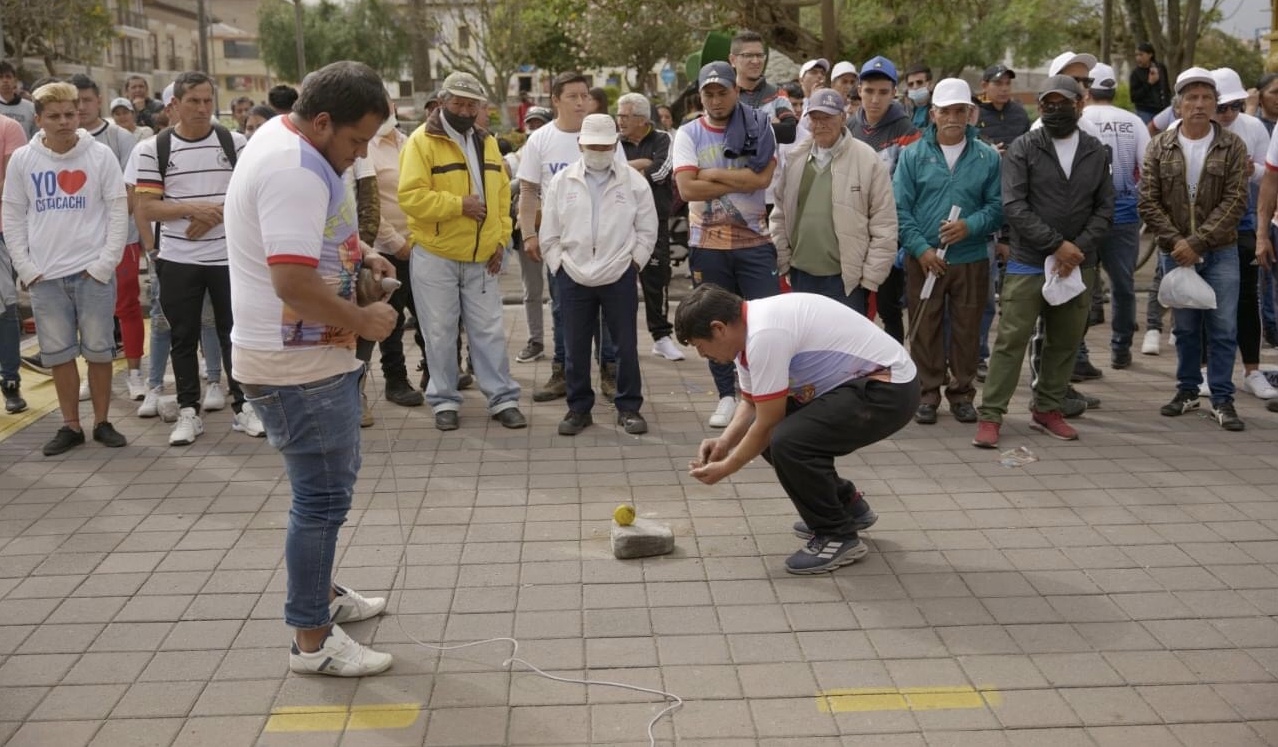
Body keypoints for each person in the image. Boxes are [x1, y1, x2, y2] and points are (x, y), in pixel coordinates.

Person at [225, 60, 397, 678]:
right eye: (355, 141)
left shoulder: (289, 141)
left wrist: (365, 254)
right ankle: (311, 640)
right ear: (322, 121)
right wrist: (363, 317)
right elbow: (293, 281)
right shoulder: (295, 168)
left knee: (325, 492)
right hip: (294, 365)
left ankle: (320, 599)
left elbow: (322, 237)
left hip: (303, 358)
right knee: (322, 501)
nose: (358, 156)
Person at [677, 284, 918, 574]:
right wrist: (724, 443)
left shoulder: (764, 335)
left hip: (889, 388)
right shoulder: (748, 330)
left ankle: (836, 534)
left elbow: (768, 421)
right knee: (777, 435)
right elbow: (752, 404)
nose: (704, 356)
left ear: (718, 329)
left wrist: (728, 467)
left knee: (787, 440)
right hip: (865, 385)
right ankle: (847, 506)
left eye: (700, 347)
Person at [973, 75, 1113, 448]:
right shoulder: (1024, 147)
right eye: (1047, 103)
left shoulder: (1095, 151)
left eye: (1062, 103)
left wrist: (1076, 249)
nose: (1054, 110)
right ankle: (991, 415)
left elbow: (1105, 208)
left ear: (1080, 103)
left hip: (1078, 263)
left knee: (1064, 340)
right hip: (1029, 261)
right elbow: (1014, 205)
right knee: (1010, 341)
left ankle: (1048, 409)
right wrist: (1056, 246)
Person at [134, 71, 262, 445]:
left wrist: (210, 215)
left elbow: (250, 196)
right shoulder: (152, 149)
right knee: (183, 336)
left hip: (229, 256)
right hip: (177, 257)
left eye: (208, 100)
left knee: (234, 334)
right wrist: (197, 209)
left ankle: (244, 407)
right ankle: (189, 411)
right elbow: (147, 207)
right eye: (194, 101)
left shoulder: (234, 142)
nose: (203, 108)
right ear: (174, 104)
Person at [2, 82, 129, 455]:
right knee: (58, 355)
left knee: (100, 352)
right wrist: (27, 268)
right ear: (38, 118)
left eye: (69, 114)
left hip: (93, 273)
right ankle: (70, 426)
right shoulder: (24, 160)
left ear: (80, 114)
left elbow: (118, 208)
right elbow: (12, 214)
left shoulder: (100, 156)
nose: (63, 122)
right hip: (46, 278)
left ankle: (102, 422)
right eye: (54, 116)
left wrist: (105, 264)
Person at [399, 72, 526, 432]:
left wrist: (501, 240)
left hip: (483, 255)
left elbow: (502, 197)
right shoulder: (420, 142)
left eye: (472, 104)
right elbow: (410, 197)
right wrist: (458, 205)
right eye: (458, 103)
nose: (465, 110)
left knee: (489, 330)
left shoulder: (487, 142)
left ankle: (503, 399)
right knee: (439, 330)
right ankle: (443, 400)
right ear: (442, 102)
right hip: (436, 253)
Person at [1142, 68, 1250, 430]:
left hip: (1220, 251)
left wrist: (1198, 241)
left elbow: (1236, 200)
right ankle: (1187, 390)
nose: (1199, 105)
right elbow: (1148, 200)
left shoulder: (1232, 145)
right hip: (1173, 251)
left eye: (1206, 98)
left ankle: (1222, 397)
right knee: (1185, 328)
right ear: (1179, 105)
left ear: (1216, 103)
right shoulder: (1159, 145)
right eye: (1191, 98)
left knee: (1223, 328)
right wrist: (1177, 243)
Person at [673, 61, 780, 429]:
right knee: (709, 323)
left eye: (723, 92)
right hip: (708, 243)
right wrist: (741, 180)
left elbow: (763, 178)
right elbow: (687, 188)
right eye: (709, 93)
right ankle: (726, 396)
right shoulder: (688, 134)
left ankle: (769, 393)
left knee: (766, 320)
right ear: (700, 95)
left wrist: (713, 175)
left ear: (737, 91)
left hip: (754, 242)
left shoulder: (759, 127)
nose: (716, 100)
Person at [894, 78, 1003, 425]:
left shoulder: (987, 156)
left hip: (970, 257)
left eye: (960, 110)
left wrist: (969, 226)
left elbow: (998, 206)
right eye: (946, 111)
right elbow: (899, 209)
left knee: (968, 328)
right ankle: (927, 393)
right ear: (933, 114)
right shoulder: (913, 155)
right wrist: (921, 249)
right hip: (924, 259)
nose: (953, 117)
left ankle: (962, 393)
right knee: (925, 325)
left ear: (970, 113)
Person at [541, 114, 656, 435]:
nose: (598, 151)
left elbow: (647, 229)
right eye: (592, 146)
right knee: (575, 347)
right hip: (573, 274)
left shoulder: (634, 183)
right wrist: (558, 265)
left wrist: (634, 263)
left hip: (619, 272)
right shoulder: (563, 181)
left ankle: (629, 407)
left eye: (605, 146)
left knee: (625, 346)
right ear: (580, 145)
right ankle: (578, 409)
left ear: (615, 145)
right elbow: (549, 230)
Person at [518, 72, 618, 401]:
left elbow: (626, 186)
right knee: (562, 309)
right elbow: (530, 191)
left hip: (605, 243)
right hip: (561, 244)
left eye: (584, 96)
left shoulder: (604, 134)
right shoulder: (540, 140)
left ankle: (610, 370)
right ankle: (562, 371)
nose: (580, 102)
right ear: (556, 100)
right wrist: (529, 233)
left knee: (606, 310)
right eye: (573, 96)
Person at [771, 87, 896, 314]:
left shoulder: (867, 160)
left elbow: (884, 224)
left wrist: (870, 279)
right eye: (815, 118)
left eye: (827, 117)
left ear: (843, 117)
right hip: (801, 276)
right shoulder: (796, 159)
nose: (821, 124)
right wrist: (783, 259)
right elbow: (779, 213)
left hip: (846, 282)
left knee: (844, 348)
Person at [71, 74, 148, 402]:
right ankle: (93, 373)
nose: (81, 108)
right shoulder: (64, 139)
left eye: (86, 101)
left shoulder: (119, 138)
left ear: (98, 100)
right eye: (74, 103)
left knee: (127, 306)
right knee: (86, 311)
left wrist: (114, 230)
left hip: (121, 239)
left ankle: (134, 374)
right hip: (78, 243)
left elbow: (132, 192)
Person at [1209, 68, 1276, 401]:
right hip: (1203, 230)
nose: (1228, 114)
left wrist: (1252, 171)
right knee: (1205, 300)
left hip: (1244, 225)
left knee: (1248, 299)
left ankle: (1252, 370)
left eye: (1235, 106)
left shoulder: (1252, 127)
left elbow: (1269, 173)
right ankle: (1206, 370)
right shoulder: (1190, 129)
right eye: (1222, 107)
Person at [1078, 63, 1149, 371]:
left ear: (1087, 88)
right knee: (1123, 283)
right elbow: (1148, 170)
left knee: (1079, 284)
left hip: (1085, 215)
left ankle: (1078, 352)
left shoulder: (1079, 119)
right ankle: (1121, 347)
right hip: (1123, 211)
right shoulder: (1133, 122)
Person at [848, 56, 920, 343]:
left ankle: (896, 364)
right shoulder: (849, 127)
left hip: (888, 234)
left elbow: (910, 189)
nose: (875, 99)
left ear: (894, 93)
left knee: (890, 307)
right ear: (859, 91)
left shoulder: (907, 131)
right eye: (868, 91)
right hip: (851, 231)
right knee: (854, 306)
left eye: (882, 92)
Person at [367, 97, 425, 408]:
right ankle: (396, 379)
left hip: (424, 246)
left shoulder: (411, 141)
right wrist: (395, 243)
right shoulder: (365, 148)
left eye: (388, 106)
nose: (386, 113)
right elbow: (369, 206)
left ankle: (435, 370)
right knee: (392, 319)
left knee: (431, 316)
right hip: (388, 251)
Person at [617, 93, 684, 361]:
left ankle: (661, 337)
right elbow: (607, 172)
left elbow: (660, 172)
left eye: (624, 116)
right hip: (620, 224)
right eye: (619, 115)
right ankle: (622, 340)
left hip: (655, 221)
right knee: (619, 283)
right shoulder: (614, 143)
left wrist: (626, 169)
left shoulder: (662, 139)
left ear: (642, 119)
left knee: (657, 279)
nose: (619, 121)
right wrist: (642, 164)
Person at [0, 112, 28, 414]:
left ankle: (10, 381)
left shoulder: (8, 127)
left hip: (3, 230)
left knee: (5, 308)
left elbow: (11, 188)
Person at [729, 30, 798, 144]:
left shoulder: (777, 93)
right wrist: (769, 125)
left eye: (760, 55)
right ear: (733, 60)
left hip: (769, 161)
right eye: (748, 55)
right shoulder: (725, 94)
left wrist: (742, 129)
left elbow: (789, 133)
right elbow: (720, 131)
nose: (756, 61)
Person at [975, 64, 1030, 151]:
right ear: (984, 86)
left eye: (1008, 83)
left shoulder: (1019, 112)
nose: (1004, 89)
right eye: (998, 83)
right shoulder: (974, 114)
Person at [1130, 42, 1171, 124]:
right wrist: (1149, 83)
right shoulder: (1135, 73)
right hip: (1145, 111)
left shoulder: (1161, 68)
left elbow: (1166, 88)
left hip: (1162, 110)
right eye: (1136, 55)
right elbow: (1134, 97)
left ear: (1150, 55)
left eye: (1141, 55)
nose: (1138, 58)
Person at [0, 63, 36, 137]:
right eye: (0, 77)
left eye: (8, 77)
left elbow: (36, 136)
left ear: (15, 81)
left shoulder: (31, 108)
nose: (5, 81)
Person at [904, 63, 933, 130]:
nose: (915, 87)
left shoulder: (940, 108)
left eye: (919, 82)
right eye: (911, 84)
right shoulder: (902, 109)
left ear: (929, 84)